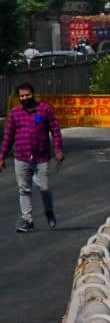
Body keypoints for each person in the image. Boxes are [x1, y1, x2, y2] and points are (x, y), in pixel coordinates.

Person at [1, 83, 65, 232]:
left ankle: (49, 212)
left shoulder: (44, 110)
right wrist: (2, 156)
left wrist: (58, 150)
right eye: (22, 96)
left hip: (41, 158)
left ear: (33, 94)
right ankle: (27, 221)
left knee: (44, 188)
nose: (25, 98)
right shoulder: (15, 113)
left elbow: (55, 130)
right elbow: (8, 137)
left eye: (27, 95)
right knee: (24, 189)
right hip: (21, 157)